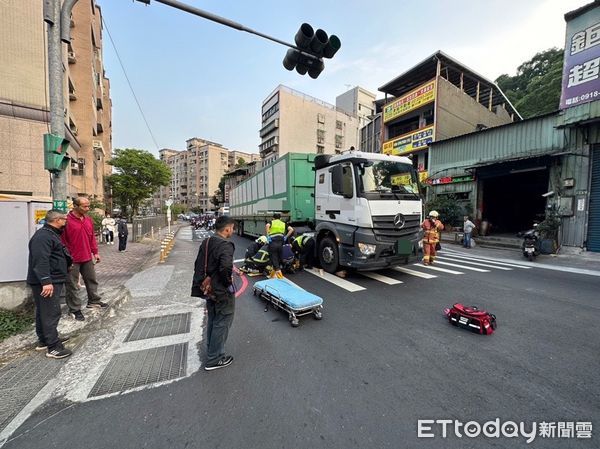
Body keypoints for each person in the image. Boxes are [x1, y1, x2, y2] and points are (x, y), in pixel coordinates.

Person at [191, 216, 236, 371]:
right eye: (232, 228)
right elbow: (225, 268)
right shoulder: (226, 245)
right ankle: (214, 358)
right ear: (227, 228)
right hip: (221, 291)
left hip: (208, 290)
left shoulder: (207, 241)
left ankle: (211, 351)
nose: (233, 231)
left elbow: (198, 264)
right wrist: (227, 284)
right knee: (223, 321)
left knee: (213, 319)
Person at [27, 210, 73, 359]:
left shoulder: (49, 234)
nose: (66, 222)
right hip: (47, 281)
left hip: (51, 279)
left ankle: (44, 340)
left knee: (44, 311)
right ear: (57, 220)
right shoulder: (43, 237)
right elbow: (41, 260)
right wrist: (46, 281)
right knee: (51, 312)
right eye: (64, 220)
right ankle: (53, 347)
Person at [61, 197, 107, 322]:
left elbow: (92, 237)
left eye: (88, 206)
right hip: (72, 258)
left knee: (91, 280)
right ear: (75, 206)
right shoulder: (66, 221)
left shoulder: (88, 220)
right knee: (73, 284)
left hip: (87, 256)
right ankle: (75, 309)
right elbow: (62, 241)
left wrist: (95, 252)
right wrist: (66, 258)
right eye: (84, 206)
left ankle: (94, 301)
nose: (87, 209)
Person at [265, 213, 294, 279]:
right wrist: (286, 236)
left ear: (273, 218)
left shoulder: (272, 222)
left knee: (274, 258)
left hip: (273, 242)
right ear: (280, 218)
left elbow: (267, 225)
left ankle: (280, 277)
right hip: (280, 242)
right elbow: (291, 229)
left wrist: (268, 236)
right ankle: (272, 276)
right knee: (277, 258)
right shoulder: (283, 223)